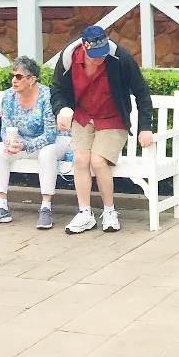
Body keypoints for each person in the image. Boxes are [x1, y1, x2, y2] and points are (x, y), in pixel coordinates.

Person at [49, 24, 154, 234]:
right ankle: (85, 213)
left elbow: (141, 91)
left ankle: (109, 211)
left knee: (97, 161)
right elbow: (57, 89)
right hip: (82, 116)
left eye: (103, 54)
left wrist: (145, 127)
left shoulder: (120, 57)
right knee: (80, 159)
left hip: (112, 118)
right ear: (84, 47)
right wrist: (60, 110)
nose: (100, 58)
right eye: (95, 55)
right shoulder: (69, 57)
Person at [0, 55, 72, 230]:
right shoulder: (8, 96)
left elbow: (50, 134)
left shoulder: (46, 95)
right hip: (22, 142)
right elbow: (5, 128)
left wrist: (26, 146)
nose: (14, 80)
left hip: (55, 141)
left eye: (19, 76)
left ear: (32, 80)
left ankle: (46, 208)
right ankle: (2, 207)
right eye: (12, 76)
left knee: (47, 153)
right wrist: (11, 143)